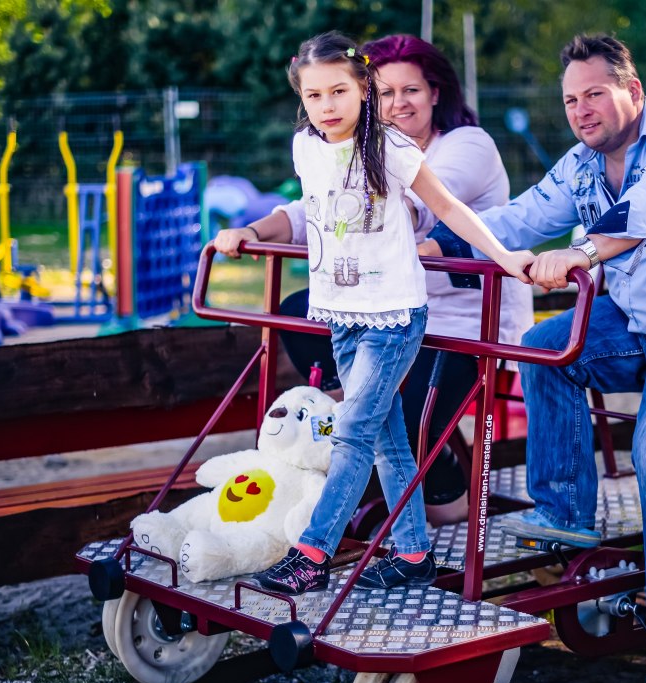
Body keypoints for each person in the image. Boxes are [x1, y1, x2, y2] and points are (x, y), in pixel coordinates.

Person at [428, 35, 646, 683]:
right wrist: (435, 241)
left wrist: (584, 253)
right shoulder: (584, 163)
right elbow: (525, 215)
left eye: (595, 93)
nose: (582, 110)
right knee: (543, 349)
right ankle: (565, 509)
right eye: (571, 99)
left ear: (634, 91)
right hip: (642, 325)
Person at [212, 30, 534, 596]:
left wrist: (505, 257)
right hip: (341, 310)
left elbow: (444, 206)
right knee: (387, 437)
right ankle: (413, 553)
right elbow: (308, 208)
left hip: (394, 315)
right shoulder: (307, 147)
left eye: (339, 92)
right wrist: (249, 231)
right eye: (313, 96)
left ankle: (311, 554)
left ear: (363, 88)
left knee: (354, 433)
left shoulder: (393, 148)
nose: (326, 107)